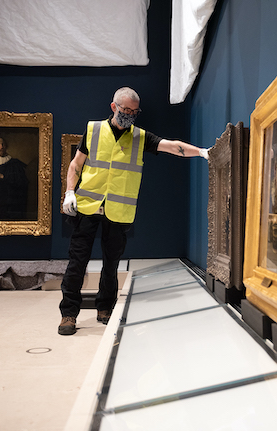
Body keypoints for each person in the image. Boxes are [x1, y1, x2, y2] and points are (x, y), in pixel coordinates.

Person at [58, 87, 209, 335]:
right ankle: (68, 314)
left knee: (111, 263)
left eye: (133, 111)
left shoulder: (140, 137)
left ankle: (105, 307)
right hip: (87, 206)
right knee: (77, 261)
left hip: (118, 211)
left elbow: (171, 146)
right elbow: (76, 163)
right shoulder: (94, 130)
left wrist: (201, 152)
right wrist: (69, 192)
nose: (128, 115)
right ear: (113, 107)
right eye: (125, 109)